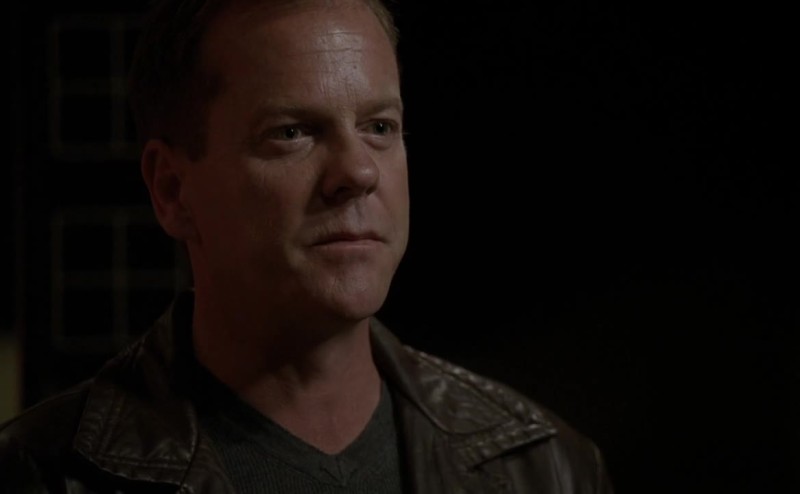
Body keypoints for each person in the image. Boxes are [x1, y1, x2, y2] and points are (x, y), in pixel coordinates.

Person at [0, 0, 615, 492]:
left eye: (380, 127)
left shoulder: (546, 469)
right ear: (172, 190)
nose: (359, 171)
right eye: (292, 132)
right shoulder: (39, 474)